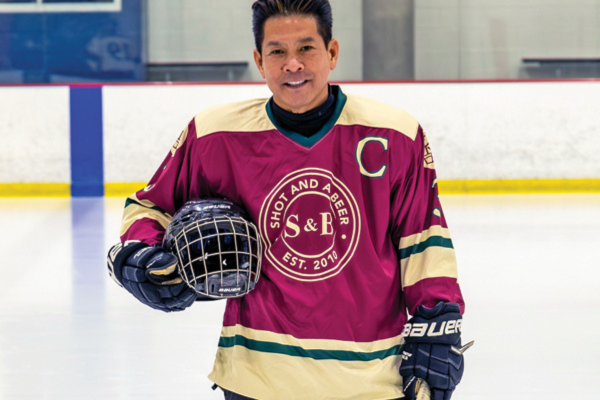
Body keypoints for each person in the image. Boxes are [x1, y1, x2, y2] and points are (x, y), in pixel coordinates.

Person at [106, 1, 468, 399]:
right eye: (278, 51)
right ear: (260, 61)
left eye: (306, 48)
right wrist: (140, 253)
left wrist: (438, 322)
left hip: (370, 381)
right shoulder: (215, 135)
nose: (292, 64)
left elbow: (424, 237)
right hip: (256, 377)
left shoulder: (395, 134)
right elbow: (150, 207)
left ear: (331, 53)